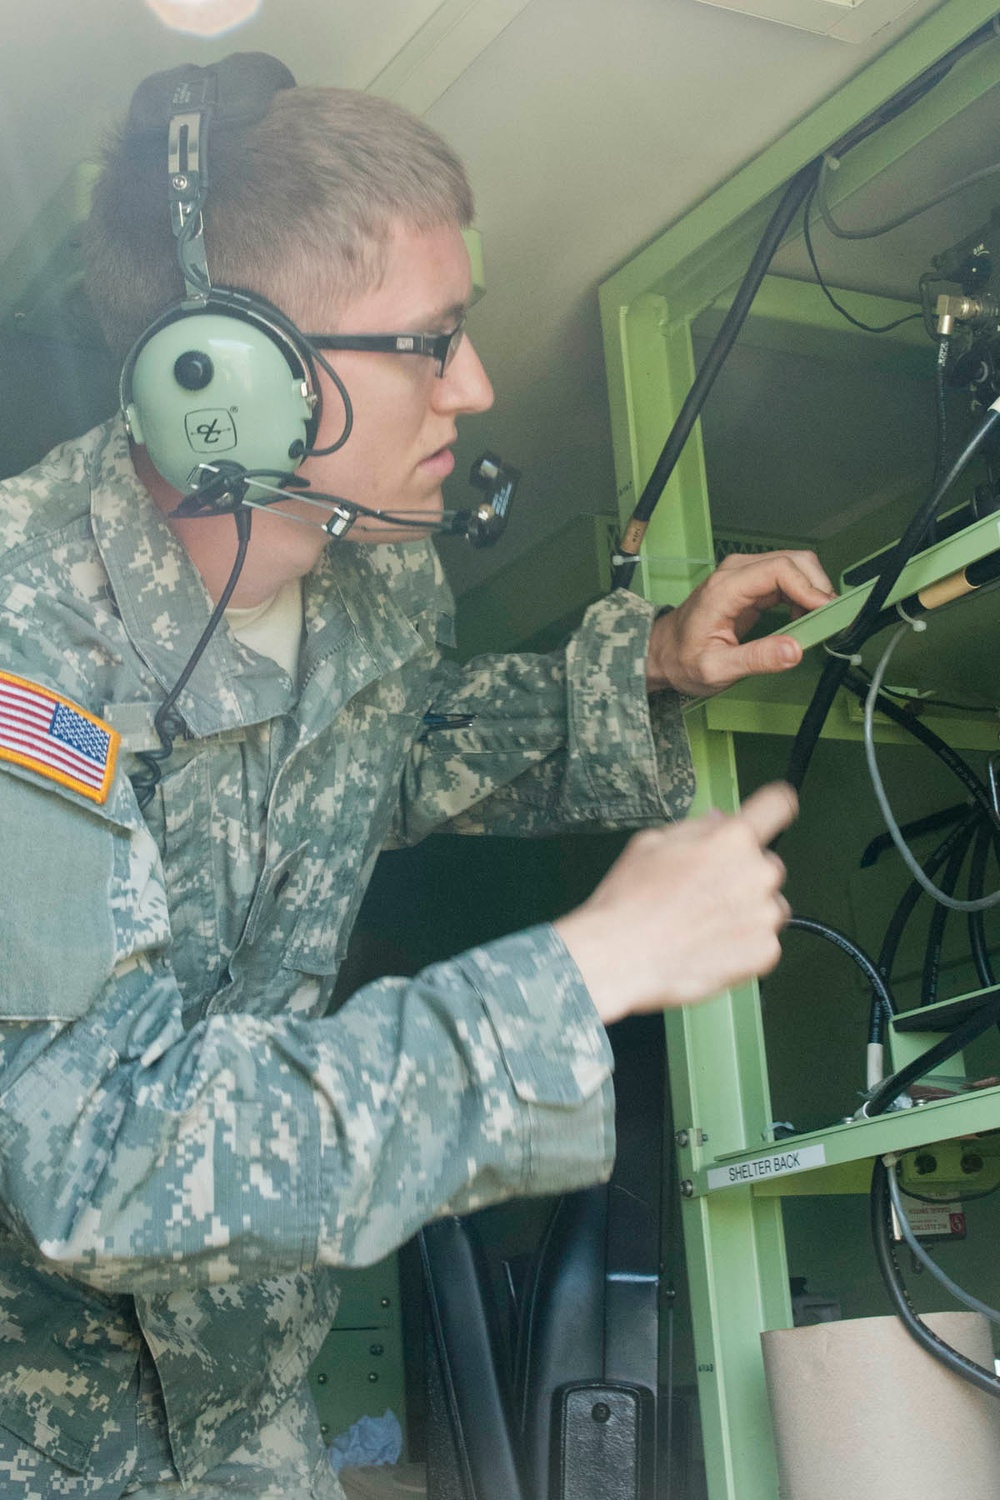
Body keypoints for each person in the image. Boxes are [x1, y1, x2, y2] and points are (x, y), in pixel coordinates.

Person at [0, 54, 834, 1500]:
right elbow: (90, 1156)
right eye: (427, 342)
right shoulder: (24, 642)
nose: (480, 386)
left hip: (250, 1395)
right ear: (230, 377)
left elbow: (389, 753)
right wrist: (578, 974)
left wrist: (645, 663)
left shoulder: (380, 583)